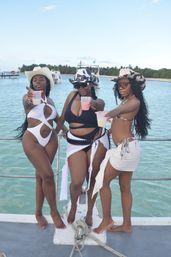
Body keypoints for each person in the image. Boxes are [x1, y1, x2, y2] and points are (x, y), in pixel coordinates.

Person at [93, 68, 151, 233]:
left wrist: (100, 114)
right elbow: (119, 123)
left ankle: (107, 220)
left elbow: (116, 113)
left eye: (125, 84)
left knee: (102, 182)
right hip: (127, 149)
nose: (121, 87)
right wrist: (107, 131)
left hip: (126, 150)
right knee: (125, 188)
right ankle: (127, 225)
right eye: (119, 85)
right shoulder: (126, 101)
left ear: (134, 86)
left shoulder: (135, 101)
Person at [57, 68, 110, 226]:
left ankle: (89, 211)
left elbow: (100, 108)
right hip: (75, 143)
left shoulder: (99, 101)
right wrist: (57, 133)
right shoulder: (71, 96)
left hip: (95, 143)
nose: (82, 88)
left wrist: (91, 102)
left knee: (92, 179)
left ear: (92, 84)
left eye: (85, 84)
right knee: (76, 182)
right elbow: (61, 117)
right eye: (78, 84)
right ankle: (73, 207)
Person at [16, 66, 66, 229]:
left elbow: (58, 121)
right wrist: (33, 97)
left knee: (41, 177)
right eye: (35, 79)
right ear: (32, 83)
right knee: (48, 176)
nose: (37, 81)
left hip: (51, 139)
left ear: (47, 83)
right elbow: (30, 103)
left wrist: (70, 133)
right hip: (33, 139)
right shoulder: (28, 97)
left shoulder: (51, 101)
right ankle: (54, 212)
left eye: (41, 79)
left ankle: (38, 212)